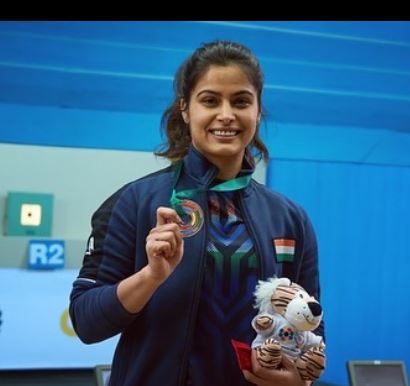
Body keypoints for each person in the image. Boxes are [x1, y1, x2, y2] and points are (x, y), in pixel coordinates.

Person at [69, 40, 324, 386]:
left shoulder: (290, 218)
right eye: (209, 100)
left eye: (241, 101)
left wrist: (300, 379)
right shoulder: (133, 202)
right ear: (185, 109)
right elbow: (86, 322)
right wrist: (151, 276)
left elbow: (311, 326)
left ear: (258, 111)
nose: (226, 114)